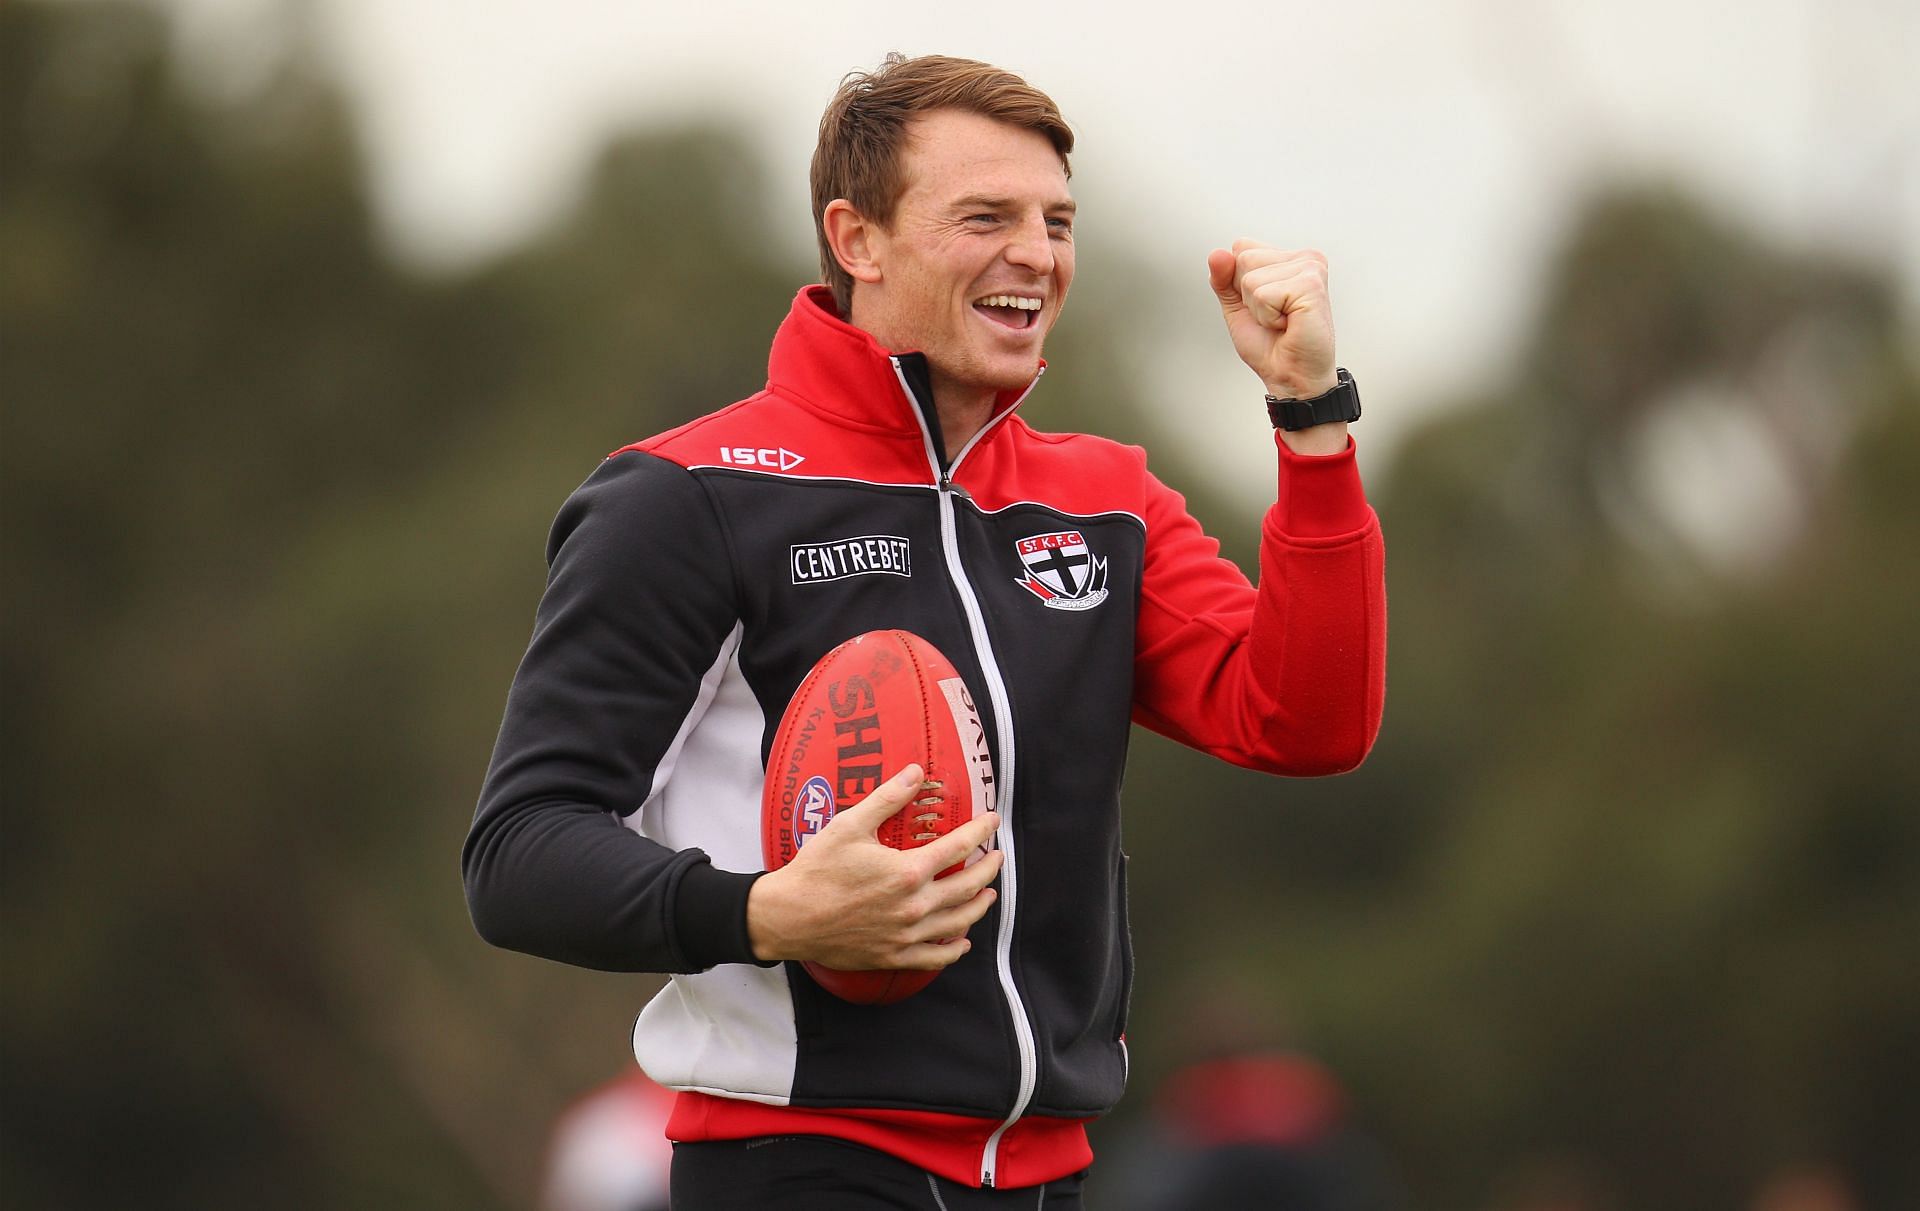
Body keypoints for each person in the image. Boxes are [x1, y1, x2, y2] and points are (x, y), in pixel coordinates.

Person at [464, 52, 1386, 1210]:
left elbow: (1309, 721)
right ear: (858, 240)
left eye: (1057, 221)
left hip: (1050, 1176)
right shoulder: (686, 495)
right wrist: (767, 911)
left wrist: (1310, 424)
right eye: (985, 217)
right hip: (798, 1170)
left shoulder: (1104, 497)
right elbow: (519, 853)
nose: (1036, 255)